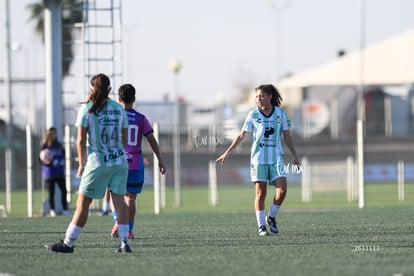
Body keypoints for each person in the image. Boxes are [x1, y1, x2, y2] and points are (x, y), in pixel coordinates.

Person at [48, 73, 132, 253]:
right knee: (119, 202)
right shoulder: (119, 108)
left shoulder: (87, 109)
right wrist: (116, 151)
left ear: (91, 89)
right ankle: (124, 242)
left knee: (83, 203)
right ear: (109, 89)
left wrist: (81, 164)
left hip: (97, 163)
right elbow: (125, 138)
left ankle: (68, 243)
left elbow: (80, 140)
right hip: (119, 162)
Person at [216, 84, 300, 236]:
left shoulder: (280, 114)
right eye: (257, 96)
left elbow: (287, 135)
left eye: (261, 96)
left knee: (282, 190)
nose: (258, 99)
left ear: (270, 97)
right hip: (258, 159)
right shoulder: (253, 115)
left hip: (276, 159)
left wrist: (295, 155)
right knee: (261, 193)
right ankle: (261, 226)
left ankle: (272, 217)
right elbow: (242, 135)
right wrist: (227, 152)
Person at [111, 83, 166, 239]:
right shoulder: (141, 119)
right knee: (131, 198)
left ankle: (117, 222)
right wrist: (160, 160)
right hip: (135, 164)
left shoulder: (114, 117)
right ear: (134, 99)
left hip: (116, 163)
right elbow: (152, 140)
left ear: (118, 99)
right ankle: (128, 230)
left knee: (114, 195)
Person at [40, 127, 70, 217]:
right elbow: (40, 158)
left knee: (64, 191)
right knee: (51, 192)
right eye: (52, 133)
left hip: (59, 172)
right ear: (48, 135)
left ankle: (65, 209)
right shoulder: (45, 146)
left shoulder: (59, 145)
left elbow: (63, 154)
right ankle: (52, 210)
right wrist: (45, 161)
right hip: (50, 173)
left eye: (55, 133)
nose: (54, 135)